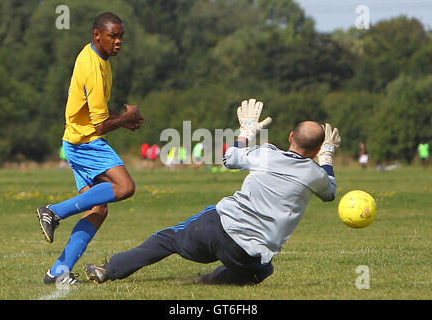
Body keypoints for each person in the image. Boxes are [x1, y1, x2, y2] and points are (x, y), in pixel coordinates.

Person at [84, 98, 341, 286]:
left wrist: (247, 131)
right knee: (261, 271)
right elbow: (329, 193)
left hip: (218, 227)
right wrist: (327, 158)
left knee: (168, 239)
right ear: (317, 151)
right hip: (248, 253)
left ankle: (109, 270)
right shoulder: (315, 174)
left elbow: (229, 158)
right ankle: (205, 282)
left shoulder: (266, 154)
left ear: (291, 136)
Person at [35, 12, 145, 285]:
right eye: (113, 36)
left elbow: (96, 111)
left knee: (98, 209)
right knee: (125, 187)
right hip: (86, 141)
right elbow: (100, 127)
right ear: (97, 35)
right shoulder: (94, 67)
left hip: (76, 140)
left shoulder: (97, 57)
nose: (118, 41)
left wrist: (123, 121)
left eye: (121, 36)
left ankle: (58, 271)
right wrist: (125, 119)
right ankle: (54, 211)